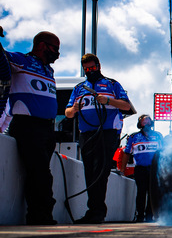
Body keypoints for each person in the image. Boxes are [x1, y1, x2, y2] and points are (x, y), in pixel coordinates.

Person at [0, 29, 60, 225]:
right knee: (40, 172)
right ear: (41, 45)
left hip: (47, 129)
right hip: (28, 125)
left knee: (41, 172)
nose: (57, 53)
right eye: (54, 48)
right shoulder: (21, 60)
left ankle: (39, 214)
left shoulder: (49, 70)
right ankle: (40, 216)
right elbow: (2, 57)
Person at [65, 53, 131, 224]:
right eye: (86, 69)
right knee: (89, 171)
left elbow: (126, 105)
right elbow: (68, 113)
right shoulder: (79, 88)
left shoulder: (112, 84)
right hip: (86, 134)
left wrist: (108, 100)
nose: (89, 71)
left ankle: (97, 211)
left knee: (100, 172)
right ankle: (94, 210)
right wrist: (74, 108)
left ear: (99, 66)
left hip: (107, 133)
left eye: (92, 68)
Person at [121, 114, 163, 222]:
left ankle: (150, 216)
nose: (146, 122)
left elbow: (164, 152)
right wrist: (122, 169)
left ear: (151, 123)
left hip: (155, 169)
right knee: (141, 192)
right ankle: (140, 215)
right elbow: (126, 153)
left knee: (152, 192)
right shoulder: (133, 137)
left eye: (148, 120)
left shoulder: (158, 136)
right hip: (140, 168)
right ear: (140, 124)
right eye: (144, 121)